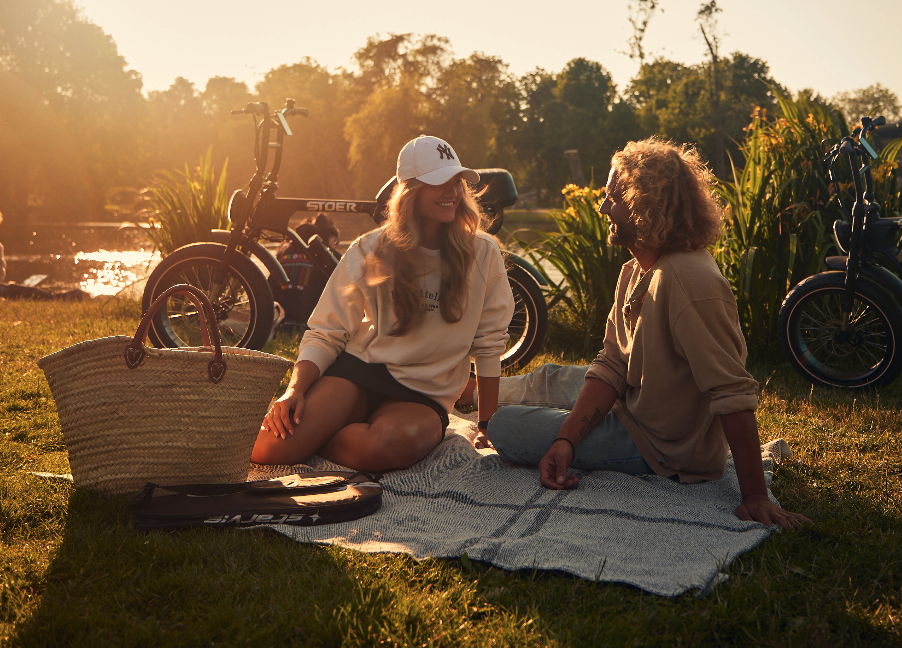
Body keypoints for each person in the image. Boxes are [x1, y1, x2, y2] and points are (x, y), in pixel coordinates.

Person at [486, 138, 808, 529]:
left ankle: (498, 409)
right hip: (632, 405)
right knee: (551, 377)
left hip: (664, 449)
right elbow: (612, 364)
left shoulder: (690, 281)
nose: (603, 208)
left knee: (504, 426)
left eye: (612, 199)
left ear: (645, 206)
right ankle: (464, 391)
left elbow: (732, 392)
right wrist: (567, 438)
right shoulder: (636, 270)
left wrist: (755, 494)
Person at [251, 135, 515, 472]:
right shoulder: (370, 248)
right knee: (268, 448)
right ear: (411, 192)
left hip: (423, 395)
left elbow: (489, 342)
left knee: (384, 449)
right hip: (359, 372)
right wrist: (295, 390)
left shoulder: (483, 252)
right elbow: (326, 331)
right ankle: (320, 436)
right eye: (440, 182)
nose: (453, 192)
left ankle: (319, 439)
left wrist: (487, 422)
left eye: (457, 181)